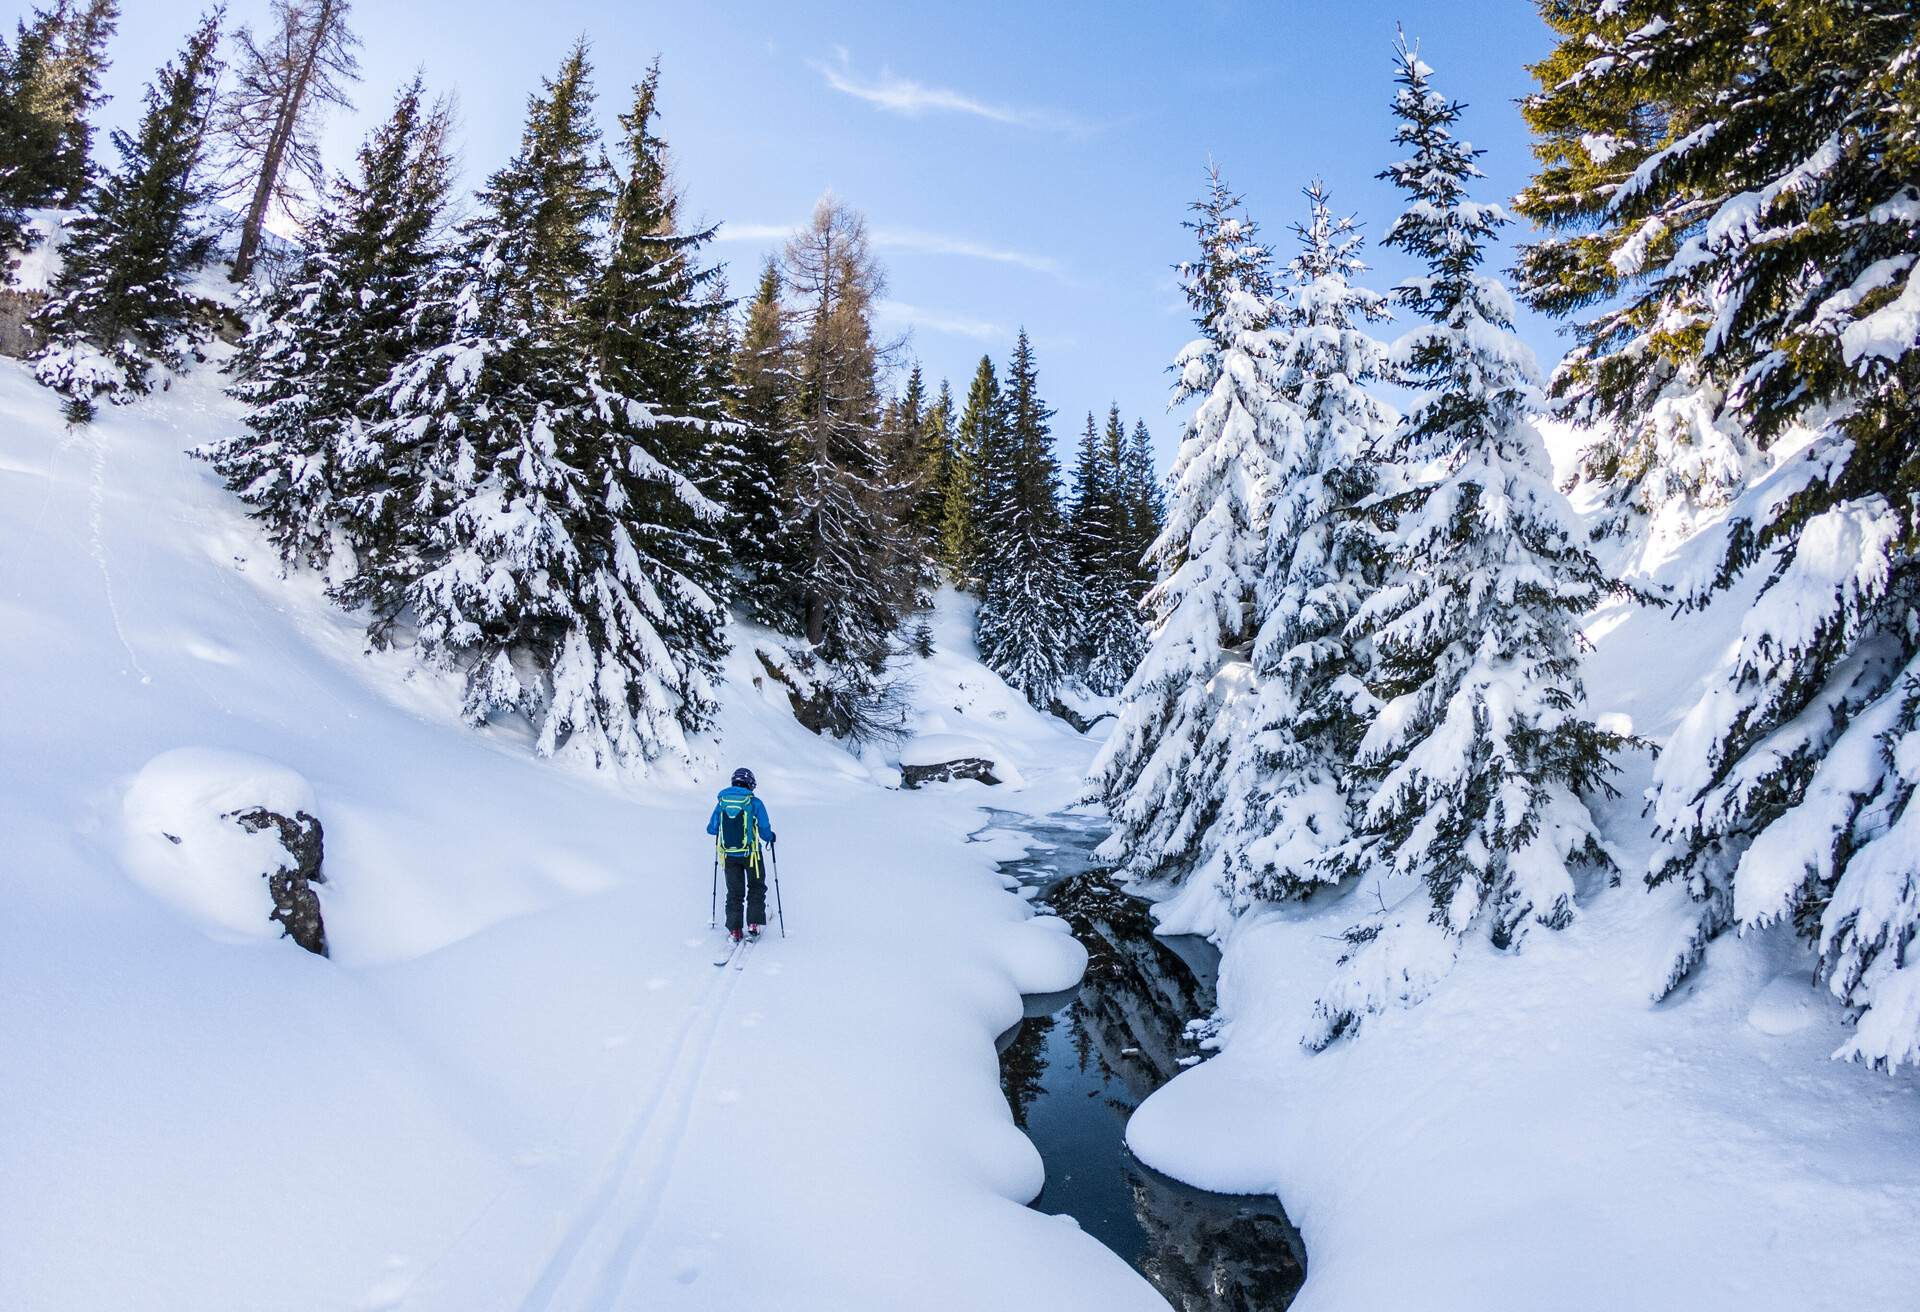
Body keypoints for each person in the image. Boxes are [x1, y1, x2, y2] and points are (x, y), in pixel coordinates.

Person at [707, 767, 775, 942]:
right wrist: (770, 837)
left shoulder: (722, 802)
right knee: (756, 886)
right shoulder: (754, 802)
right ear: (750, 784)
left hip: (729, 855)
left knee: (734, 892)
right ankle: (753, 923)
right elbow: (764, 828)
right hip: (752, 854)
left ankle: (735, 929)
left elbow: (711, 828)